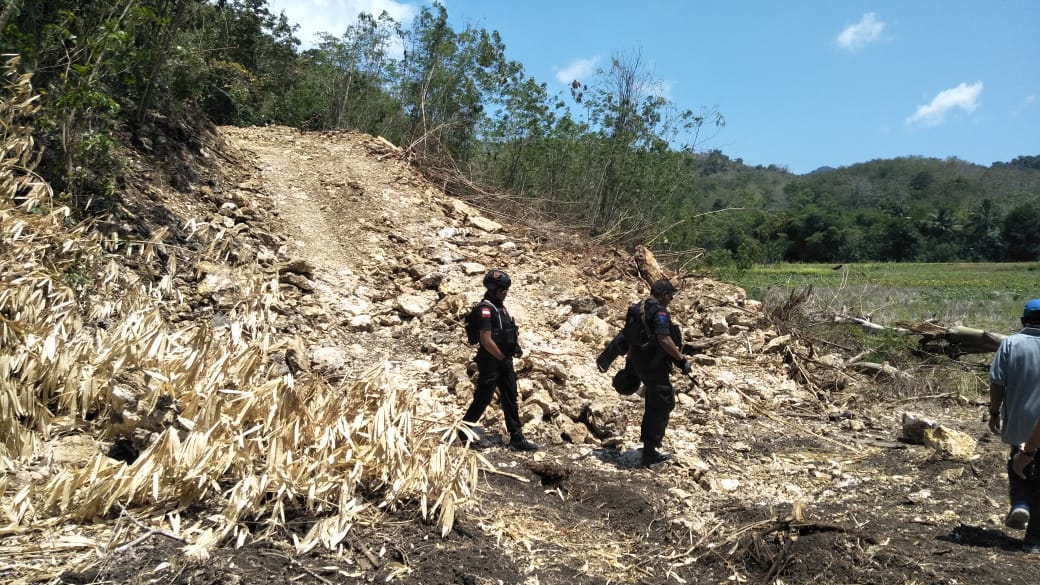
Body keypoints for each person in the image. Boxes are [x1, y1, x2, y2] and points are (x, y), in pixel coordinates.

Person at [460, 270, 538, 452]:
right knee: (483, 398)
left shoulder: (501, 308)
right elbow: (486, 340)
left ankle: (517, 438)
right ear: (493, 289)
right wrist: (501, 357)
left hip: (504, 360)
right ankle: (463, 432)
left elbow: (508, 332)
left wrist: (513, 350)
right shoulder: (485, 309)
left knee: (510, 397)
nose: (505, 293)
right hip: (491, 361)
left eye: (506, 290)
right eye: (502, 290)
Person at [988, 298, 1040, 552]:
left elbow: (997, 381)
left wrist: (994, 411)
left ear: (1023, 321)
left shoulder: (1010, 343)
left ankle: (1020, 502)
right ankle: (1034, 540)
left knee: (1018, 464)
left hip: (1020, 421)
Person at [625, 278, 692, 467]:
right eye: (670, 294)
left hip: (640, 361)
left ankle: (649, 446)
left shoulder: (638, 307)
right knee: (662, 402)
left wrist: (630, 360)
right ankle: (649, 451)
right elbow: (664, 339)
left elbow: (629, 336)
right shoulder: (659, 312)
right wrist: (681, 360)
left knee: (654, 401)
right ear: (662, 295)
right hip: (653, 364)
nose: (671, 298)